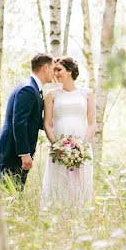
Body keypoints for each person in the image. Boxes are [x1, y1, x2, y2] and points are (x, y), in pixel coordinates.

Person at [0, 53, 54, 189]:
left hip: (14, 149)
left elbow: (34, 120)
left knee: (14, 192)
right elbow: (19, 123)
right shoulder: (28, 89)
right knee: (8, 193)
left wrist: (57, 123)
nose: (54, 73)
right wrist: (24, 154)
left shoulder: (32, 88)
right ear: (45, 68)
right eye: (52, 68)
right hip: (12, 151)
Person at [41, 56, 95, 209]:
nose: (55, 73)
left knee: (81, 182)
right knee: (58, 182)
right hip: (59, 148)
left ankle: (79, 215)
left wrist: (82, 146)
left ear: (69, 71)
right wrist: (58, 147)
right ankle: (57, 216)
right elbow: (47, 124)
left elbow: (92, 123)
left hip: (82, 148)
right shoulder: (51, 95)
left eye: (59, 70)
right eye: (54, 70)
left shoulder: (87, 93)